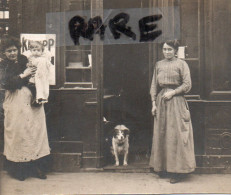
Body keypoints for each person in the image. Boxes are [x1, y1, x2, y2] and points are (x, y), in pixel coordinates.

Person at [0, 36, 50, 181]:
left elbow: (39, 74)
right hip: (14, 101)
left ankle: (36, 167)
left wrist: (37, 92)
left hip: (31, 99)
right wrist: (24, 74)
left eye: (14, 50)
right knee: (18, 134)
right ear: (3, 53)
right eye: (8, 51)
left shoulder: (25, 59)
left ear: (18, 49)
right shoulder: (3, 66)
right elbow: (8, 83)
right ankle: (18, 170)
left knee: (35, 133)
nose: (12, 53)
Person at [149, 40, 196, 184]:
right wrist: (153, 104)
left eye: (170, 49)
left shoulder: (182, 64)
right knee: (162, 134)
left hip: (176, 102)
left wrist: (173, 93)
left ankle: (178, 172)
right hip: (161, 102)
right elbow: (153, 85)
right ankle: (162, 168)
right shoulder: (159, 64)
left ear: (175, 51)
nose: (167, 52)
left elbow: (187, 84)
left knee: (176, 135)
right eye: (164, 49)